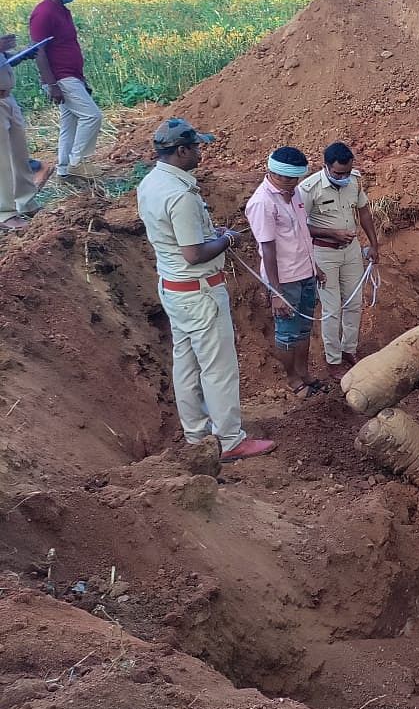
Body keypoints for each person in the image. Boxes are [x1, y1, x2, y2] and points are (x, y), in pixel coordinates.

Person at [136, 118, 276, 462]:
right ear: (181, 151)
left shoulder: (150, 183)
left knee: (185, 364)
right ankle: (230, 440)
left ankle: (196, 434)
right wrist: (226, 239)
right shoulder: (180, 195)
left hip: (175, 289)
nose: (201, 152)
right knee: (218, 367)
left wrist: (212, 235)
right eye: (196, 147)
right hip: (199, 292)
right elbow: (194, 254)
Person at [244, 146, 325, 399]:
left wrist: (315, 267)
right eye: (290, 179)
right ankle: (292, 379)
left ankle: (305, 374)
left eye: (297, 179)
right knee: (288, 333)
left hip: (305, 274)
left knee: (303, 328)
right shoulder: (262, 203)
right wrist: (276, 292)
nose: (294, 184)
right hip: (285, 280)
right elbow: (267, 249)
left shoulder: (294, 193)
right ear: (274, 174)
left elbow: (301, 233)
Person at [299, 142, 379, 379]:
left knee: (354, 303)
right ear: (325, 166)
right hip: (324, 254)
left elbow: (363, 211)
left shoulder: (354, 180)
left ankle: (349, 350)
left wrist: (374, 244)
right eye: (338, 173)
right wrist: (330, 234)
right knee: (332, 309)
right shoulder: (309, 188)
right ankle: (333, 360)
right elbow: (299, 227)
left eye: (346, 172)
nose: (343, 177)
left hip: (351, 251)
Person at [29, 0, 104, 181]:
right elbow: (39, 51)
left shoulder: (61, 10)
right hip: (61, 77)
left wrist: (80, 77)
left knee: (69, 123)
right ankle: (77, 162)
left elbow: (66, 45)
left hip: (71, 75)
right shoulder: (43, 14)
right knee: (92, 116)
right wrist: (52, 85)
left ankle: (63, 169)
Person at [0, 34, 42, 232]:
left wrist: (18, 55)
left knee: (19, 155)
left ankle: (26, 202)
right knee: (3, 159)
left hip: (8, 98)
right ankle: (5, 213)